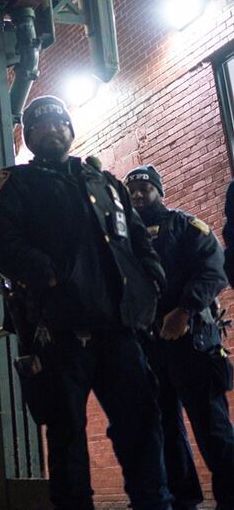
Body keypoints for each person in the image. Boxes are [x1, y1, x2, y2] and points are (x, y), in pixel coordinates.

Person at [0, 95, 172, 510]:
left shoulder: (103, 183)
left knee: (142, 427)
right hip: (61, 332)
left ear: (70, 130)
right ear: (29, 137)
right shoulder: (16, 184)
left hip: (120, 330)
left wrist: (152, 279)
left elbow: (137, 237)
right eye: (40, 126)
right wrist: (48, 274)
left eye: (59, 124)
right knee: (67, 436)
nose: (52, 131)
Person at [126, 164, 234, 510]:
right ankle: (184, 500)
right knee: (166, 432)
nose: (139, 195)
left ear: (160, 190)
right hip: (150, 347)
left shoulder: (186, 226)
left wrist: (184, 311)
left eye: (146, 188)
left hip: (193, 342)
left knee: (213, 428)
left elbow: (214, 270)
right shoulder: (126, 240)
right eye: (133, 190)